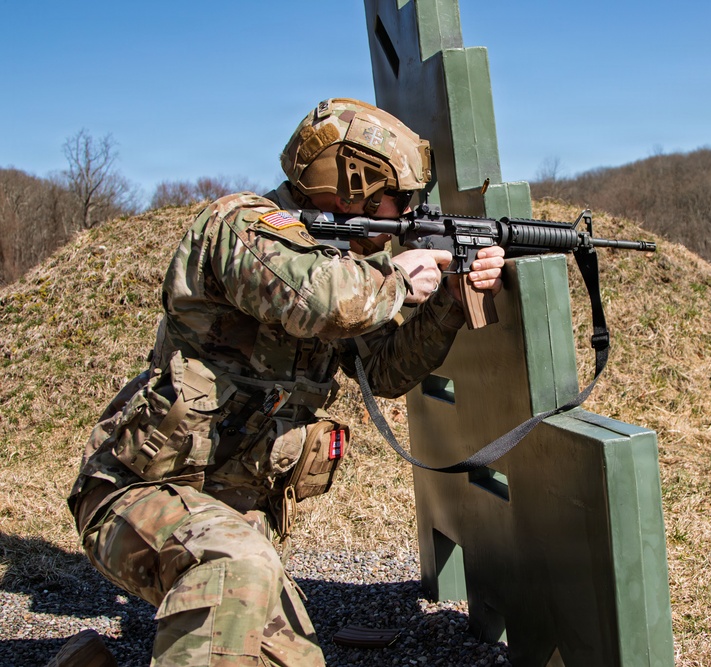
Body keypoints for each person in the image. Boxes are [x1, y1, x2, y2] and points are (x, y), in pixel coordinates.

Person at [65, 98, 505, 666]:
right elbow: (322, 301)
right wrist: (397, 278)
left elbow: (388, 369)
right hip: (136, 493)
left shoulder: (345, 266)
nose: (403, 214)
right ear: (353, 183)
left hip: (229, 515)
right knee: (233, 568)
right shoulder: (242, 228)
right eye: (399, 197)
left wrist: (447, 300)